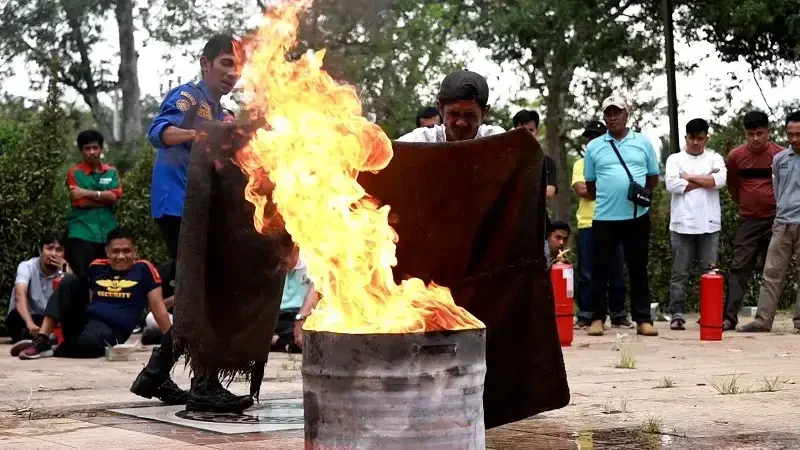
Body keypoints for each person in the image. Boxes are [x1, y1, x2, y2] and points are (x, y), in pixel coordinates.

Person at [131, 34, 247, 411]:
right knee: (203, 296)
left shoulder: (227, 115)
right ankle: (203, 385)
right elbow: (158, 133)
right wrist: (200, 134)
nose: (232, 72)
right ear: (205, 63)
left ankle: (156, 375)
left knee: (203, 295)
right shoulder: (187, 97)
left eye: (238, 66)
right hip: (178, 206)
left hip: (207, 213)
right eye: (226, 63)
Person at [12, 228, 173, 362]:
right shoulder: (96, 267)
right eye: (115, 251)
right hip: (87, 321)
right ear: (107, 252)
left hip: (113, 330)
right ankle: (43, 339)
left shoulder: (144, 269)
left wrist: (173, 342)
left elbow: (158, 308)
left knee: (88, 344)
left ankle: (55, 348)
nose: (121, 256)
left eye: (127, 251)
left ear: (135, 252)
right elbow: (83, 298)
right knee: (69, 281)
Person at [584, 95, 660, 337]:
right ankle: (597, 318)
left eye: (617, 112)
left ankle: (643, 319)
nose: (613, 117)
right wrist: (611, 198)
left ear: (627, 114)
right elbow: (591, 184)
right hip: (604, 217)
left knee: (638, 268)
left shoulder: (643, 143)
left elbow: (652, 178)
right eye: (608, 113)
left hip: (637, 216)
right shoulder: (594, 146)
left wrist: (638, 196)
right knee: (600, 269)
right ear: (604, 116)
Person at [738, 112, 800, 333]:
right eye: (790, 134)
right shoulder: (780, 159)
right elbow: (777, 190)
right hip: (782, 222)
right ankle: (763, 321)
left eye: (798, 134)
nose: (794, 139)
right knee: (771, 273)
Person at [723, 111, 784, 330]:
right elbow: (733, 186)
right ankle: (729, 317)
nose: (756, 138)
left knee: (775, 269)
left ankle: (766, 317)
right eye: (751, 134)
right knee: (739, 267)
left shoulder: (780, 155)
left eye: (760, 133)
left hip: (778, 220)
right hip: (749, 219)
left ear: (768, 132)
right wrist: (746, 204)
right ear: (745, 134)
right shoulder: (736, 157)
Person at [664, 119, 727, 330]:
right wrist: (705, 179)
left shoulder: (714, 157)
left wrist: (689, 177)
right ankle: (677, 314)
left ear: (706, 138)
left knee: (709, 271)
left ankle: (709, 313)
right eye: (692, 138)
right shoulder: (675, 159)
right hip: (682, 223)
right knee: (679, 272)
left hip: (709, 224)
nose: (696, 143)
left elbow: (720, 181)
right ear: (686, 138)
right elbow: (672, 183)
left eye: (700, 138)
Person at [572, 121, 631, 330]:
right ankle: (586, 315)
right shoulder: (580, 164)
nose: (591, 141)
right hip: (588, 223)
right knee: (587, 272)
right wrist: (609, 186)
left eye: (596, 137)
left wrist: (600, 187)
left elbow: (620, 187)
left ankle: (618, 314)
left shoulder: (616, 162)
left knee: (616, 271)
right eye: (589, 138)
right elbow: (581, 190)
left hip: (616, 220)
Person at [65, 130, 123, 277]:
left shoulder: (111, 172)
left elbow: (115, 198)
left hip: (109, 234)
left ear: (101, 149)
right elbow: (80, 202)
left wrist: (87, 192)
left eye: (95, 148)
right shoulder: (74, 173)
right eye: (87, 148)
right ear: (81, 151)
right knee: (84, 279)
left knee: (108, 279)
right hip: (82, 233)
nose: (92, 152)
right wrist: (106, 198)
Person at [398, 70, 505, 143]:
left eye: (470, 115)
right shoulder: (420, 140)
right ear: (440, 108)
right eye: (453, 113)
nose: (461, 123)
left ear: (484, 113)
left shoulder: (497, 140)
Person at [6, 233, 68, 345]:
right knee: (14, 317)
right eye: (49, 248)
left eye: (59, 250)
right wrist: (30, 323)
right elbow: (19, 295)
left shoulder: (66, 270)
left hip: (51, 320)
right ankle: (43, 339)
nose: (53, 254)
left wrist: (65, 270)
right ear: (40, 251)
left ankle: (43, 340)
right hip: (28, 319)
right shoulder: (26, 266)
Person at [271, 249, 319, 353]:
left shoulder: (311, 259)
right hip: (275, 317)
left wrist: (301, 317)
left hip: (297, 316)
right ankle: (282, 343)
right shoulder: (270, 263)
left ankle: (278, 342)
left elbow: (317, 289)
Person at [512, 109, 557, 200]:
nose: (527, 134)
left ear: (537, 132)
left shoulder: (547, 162)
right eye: (521, 130)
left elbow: (549, 192)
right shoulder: (506, 158)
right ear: (514, 132)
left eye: (531, 130)